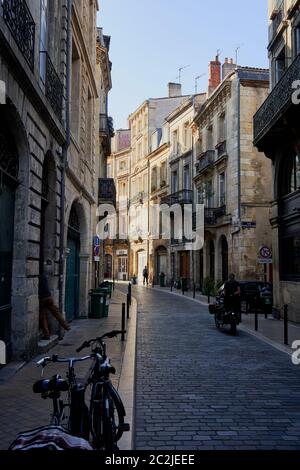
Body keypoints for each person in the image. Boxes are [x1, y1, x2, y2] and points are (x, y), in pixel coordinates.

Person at [39, 273, 70, 340]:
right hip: (49, 297)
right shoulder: (44, 276)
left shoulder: (38, 277)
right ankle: (66, 326)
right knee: (56, 313)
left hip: (42, 298)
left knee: (43, 317)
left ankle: (46, 334)